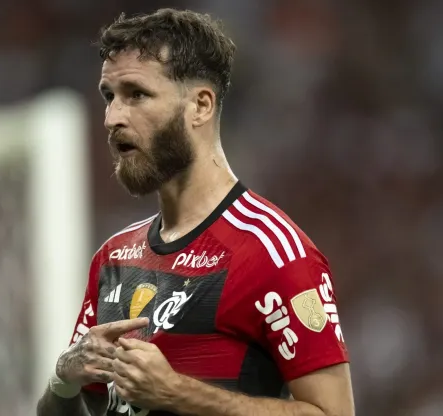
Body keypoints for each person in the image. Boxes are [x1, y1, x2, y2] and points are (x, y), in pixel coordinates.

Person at [37, 8, 354, 416]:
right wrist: (64, 377)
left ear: (201, 106)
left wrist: (178, 394)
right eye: (109, 97)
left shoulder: (272, 252)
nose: (113, 117)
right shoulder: (114, 257)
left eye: (137, 94)